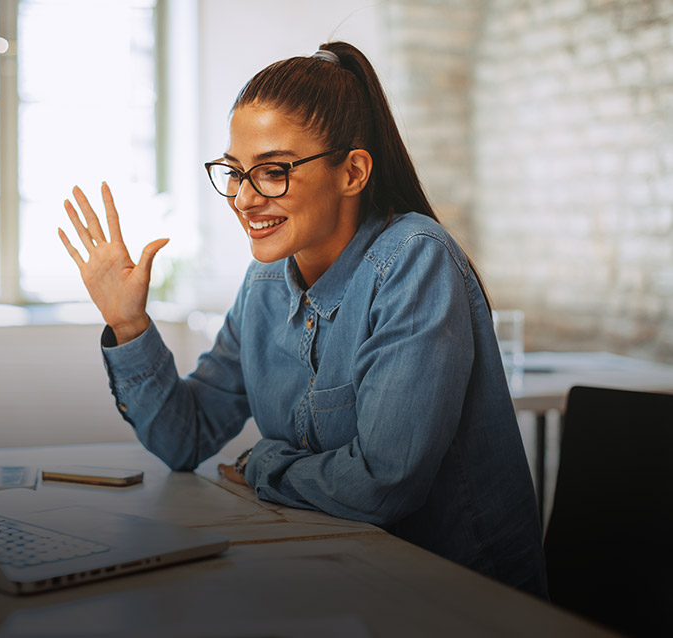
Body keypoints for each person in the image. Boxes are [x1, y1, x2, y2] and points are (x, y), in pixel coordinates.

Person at [58, 41, 548, 598]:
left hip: (452, 598)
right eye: (235, 173)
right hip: (332, 574)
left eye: (271, 172)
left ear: (353, 172)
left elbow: (383, 486)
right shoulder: (265, 283)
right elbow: (185, 438)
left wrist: (266, 462)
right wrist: (128, 326)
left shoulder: (414, 259)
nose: (243, 199)